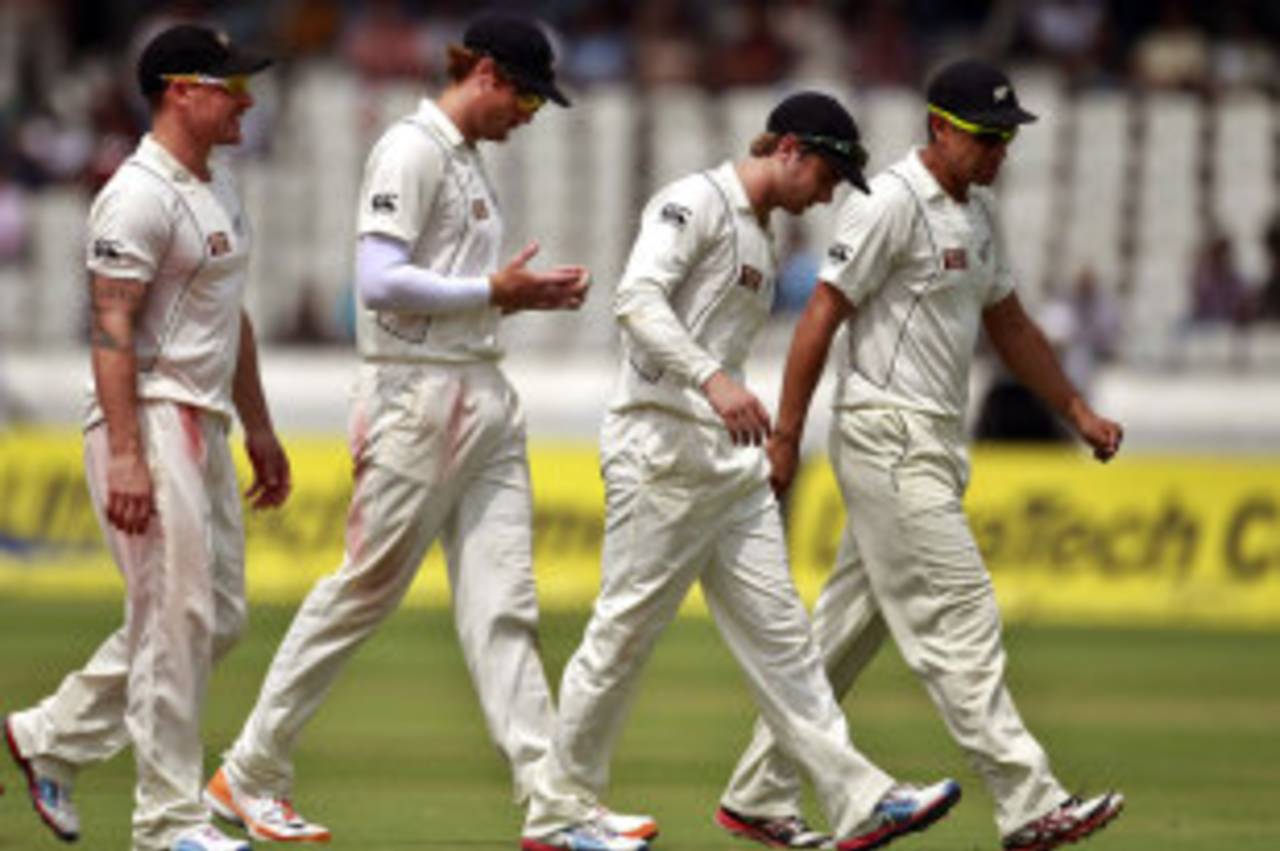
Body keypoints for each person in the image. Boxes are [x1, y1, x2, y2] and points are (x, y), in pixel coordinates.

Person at [202, 14, 653, 846]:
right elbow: (377, 280)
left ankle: (553, 806)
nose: (529, 114)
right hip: (417, 393)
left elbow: (450, 281)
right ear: (483, 72)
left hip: (481, 388)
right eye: (523, 95)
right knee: (363, 590)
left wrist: (514, 295)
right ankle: (249, 770)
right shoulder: (411, 149)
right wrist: (496, 291)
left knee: (504, 605)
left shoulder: (469, 161)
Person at [521, 92, 962, 851]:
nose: (828, 194)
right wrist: (712, 379)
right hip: (659, 447)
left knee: (785, 638)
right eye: (828, 173)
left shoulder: (761, 235)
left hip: (727, 464)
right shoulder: (693, 201)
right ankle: (558, 813)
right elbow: (636, 299)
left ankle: (858, 798)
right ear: (788, 148)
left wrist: (726, 399)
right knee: (623, 633)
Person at [716, 59, 1127, 851]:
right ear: (940, 127)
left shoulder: (978, 213)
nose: (1000, 151)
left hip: (935, 439)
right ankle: (1028, 798)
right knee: (959, 612)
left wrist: (1075, 408)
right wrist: (787, 434)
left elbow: (1011, 327)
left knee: (840, 634)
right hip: (887, 432)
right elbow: (820, 317)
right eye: (985, 136)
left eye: (1007, 137)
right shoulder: (890, 203)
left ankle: (759, 790)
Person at [4, 25, 288, 851]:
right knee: (176, 618)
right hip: (154, 415)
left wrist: (260, 426)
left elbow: (230, 316)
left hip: (204, 415)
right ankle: (168, 823)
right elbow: (110, 326)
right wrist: (126, 450)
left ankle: (51, 735)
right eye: (228, 85)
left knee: (216, 617)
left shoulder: (216, 186)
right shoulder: (136, 194)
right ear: (178, 90)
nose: (246, 98)